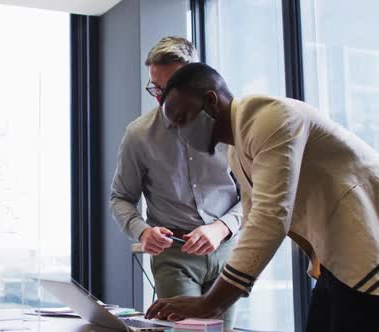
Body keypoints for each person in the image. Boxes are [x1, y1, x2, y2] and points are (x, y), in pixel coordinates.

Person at [145, 63, 379, 331]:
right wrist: (213, 299)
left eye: (182, 120)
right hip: (337, 256)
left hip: (367, 244)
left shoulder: (271, 118)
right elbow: (253, 218)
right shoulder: (237, 150)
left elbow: (270, 218)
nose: (181, 133)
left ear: (210, 101)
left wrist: (212, 302)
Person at [109, 37, 241, 328]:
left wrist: (221, 228)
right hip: (175, 257)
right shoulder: (139, 134)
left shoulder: (229, 126)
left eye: (166, 88)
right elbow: (120, 196)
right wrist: (142, 232)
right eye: (154, 87)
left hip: (228, 249)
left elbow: (254, 194)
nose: (159, 97)